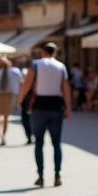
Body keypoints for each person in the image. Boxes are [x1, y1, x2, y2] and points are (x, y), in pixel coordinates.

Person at [17, 42, 71, 188]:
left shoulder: (36, 64)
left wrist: (21, 98)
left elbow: (28, 83)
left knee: (39, 142)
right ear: (55, 52)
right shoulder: (61, 66)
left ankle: (40, 176)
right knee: (56, 143)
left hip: (40, 106)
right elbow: (65, 88)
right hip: (56, 105)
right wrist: (69, 107)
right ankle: (57, 175)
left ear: (43, 52)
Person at [0, 56, 22, 146]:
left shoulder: (14, 71)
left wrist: (18, 97)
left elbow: (20, 83)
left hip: (8, 95)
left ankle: (3, 135)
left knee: (5, 117)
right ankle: (1, 135)